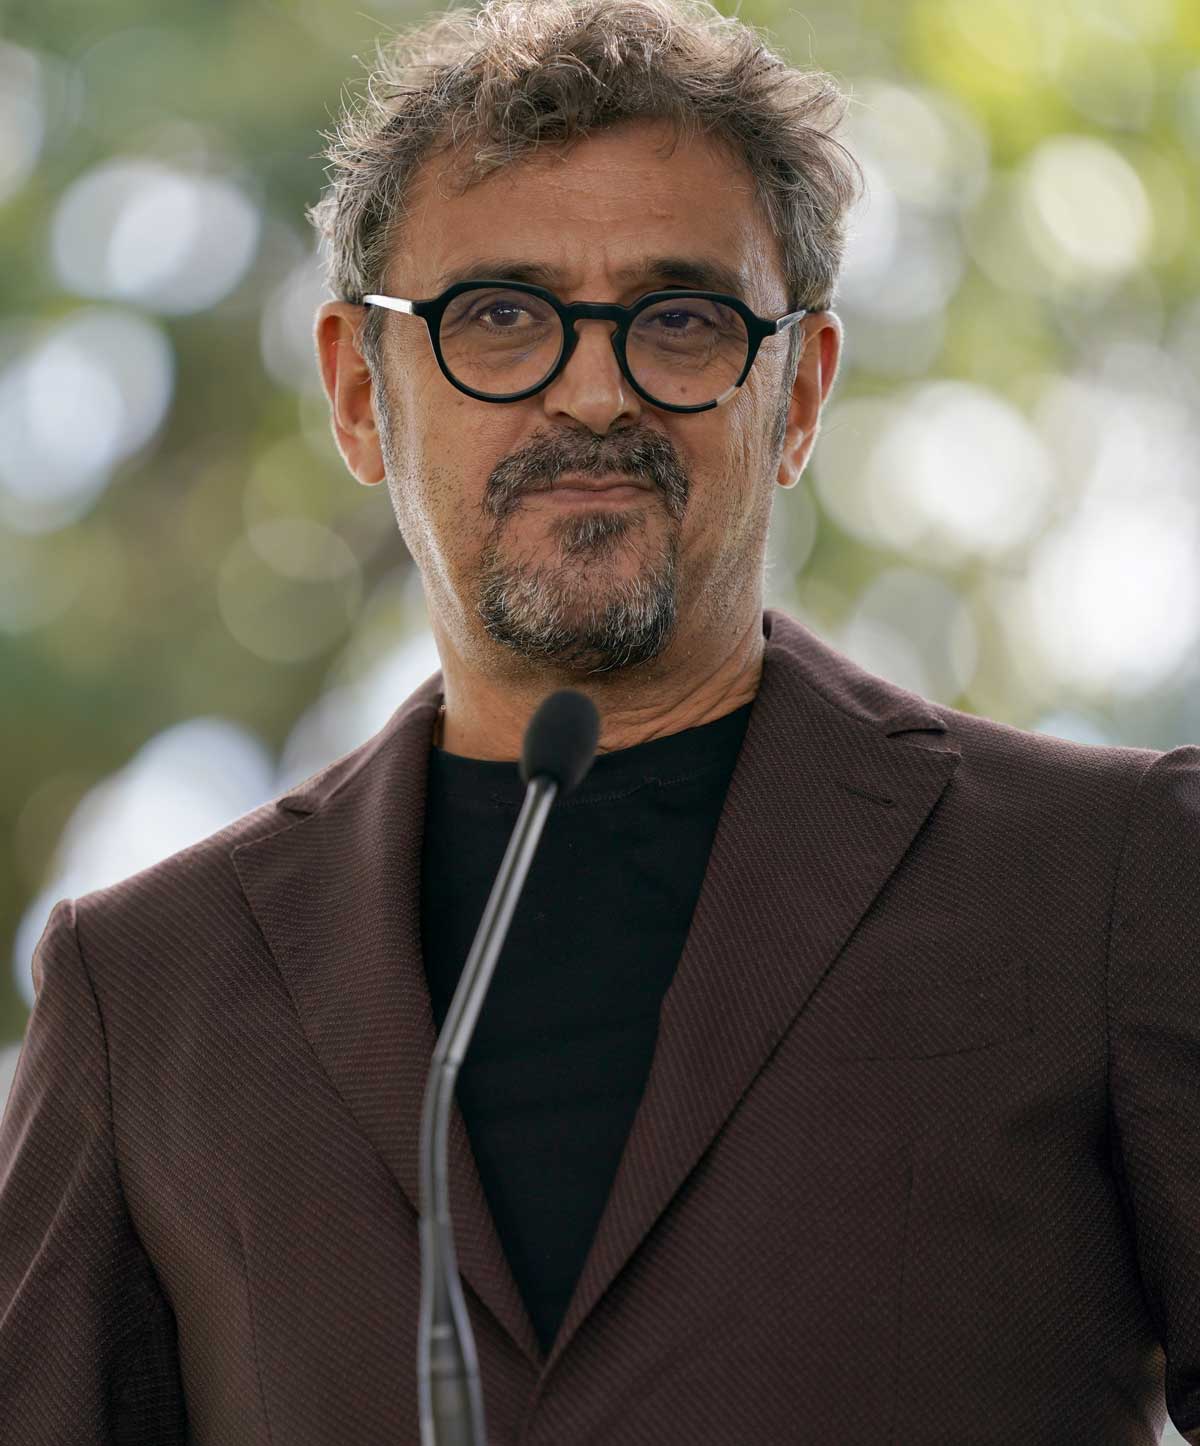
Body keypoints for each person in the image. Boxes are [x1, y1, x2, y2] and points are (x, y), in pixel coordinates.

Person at [2, 0, 1198, 1441]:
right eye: (498, 316)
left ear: (799, 393)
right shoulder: (151, 986)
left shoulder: (1112, 874)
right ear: (359, 392)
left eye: (680, 320)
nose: (589, 388)